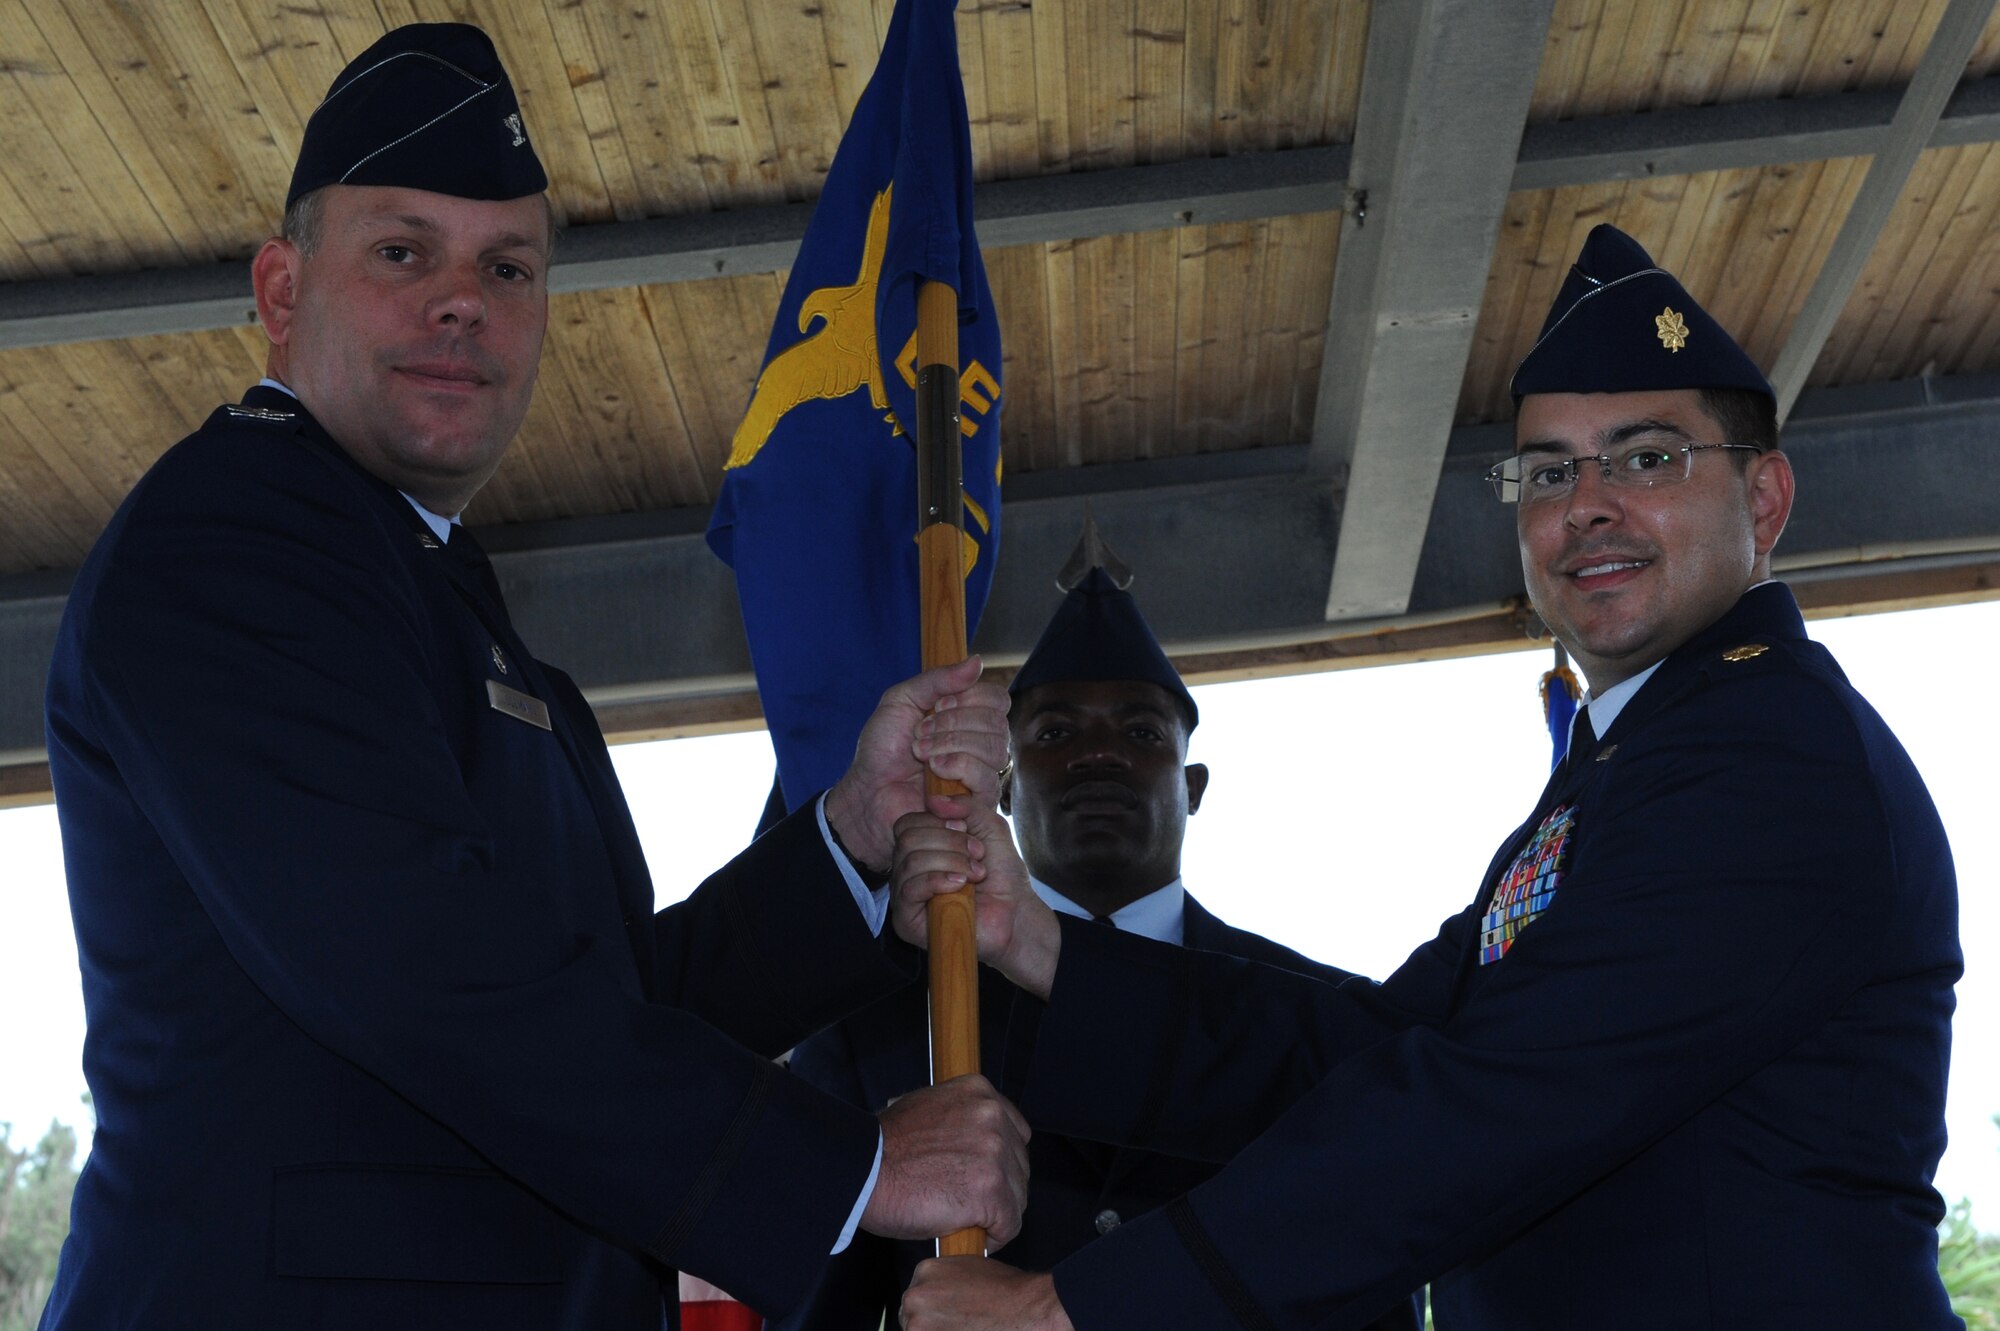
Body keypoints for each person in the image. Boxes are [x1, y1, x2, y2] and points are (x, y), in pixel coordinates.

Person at [40, 24, 1028, 1331]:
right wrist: (847, 1168)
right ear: (282, 290)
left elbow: (600, 999)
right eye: (403, 253)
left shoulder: (434, 590)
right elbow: (418, 968)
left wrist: (849, 839)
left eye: (506, 266)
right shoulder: (234, 540)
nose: (463, 301)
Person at [892, 223, 1962, 1329]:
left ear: (1765, 499)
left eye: (1646, 458)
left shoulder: (1766, 755)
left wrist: (1065, 1308)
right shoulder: (1632, 761)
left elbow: (1495, 1105)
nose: (1586, 504)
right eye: (1548, 470)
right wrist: (1042, 943)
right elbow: (1372, 1049)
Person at [774, 554, 1422, 1331]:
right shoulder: (879, 1026)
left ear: (1193, 785)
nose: (1098, 752)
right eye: (1055, 731)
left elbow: (1376, 1278)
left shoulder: (1321, 1025)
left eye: (1141, 730)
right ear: (1003, 787)